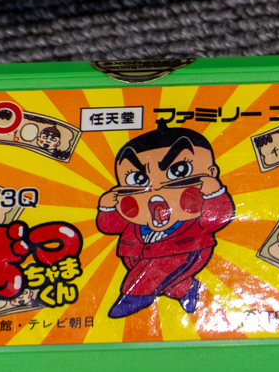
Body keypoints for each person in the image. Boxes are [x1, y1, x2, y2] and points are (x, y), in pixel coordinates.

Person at [95, 127, 234, 317]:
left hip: (185, 250)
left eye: (179, 171)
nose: (156, 187)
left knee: (151, 275)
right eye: (138, 178)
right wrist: (108, 207)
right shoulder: (134, 216)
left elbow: (217, 218)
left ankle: (133, 297)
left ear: (210, 174)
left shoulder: (196, 217)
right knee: (163, 278)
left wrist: (213, 193)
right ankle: (185, 289)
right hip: (135, 254)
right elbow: (110, 226)